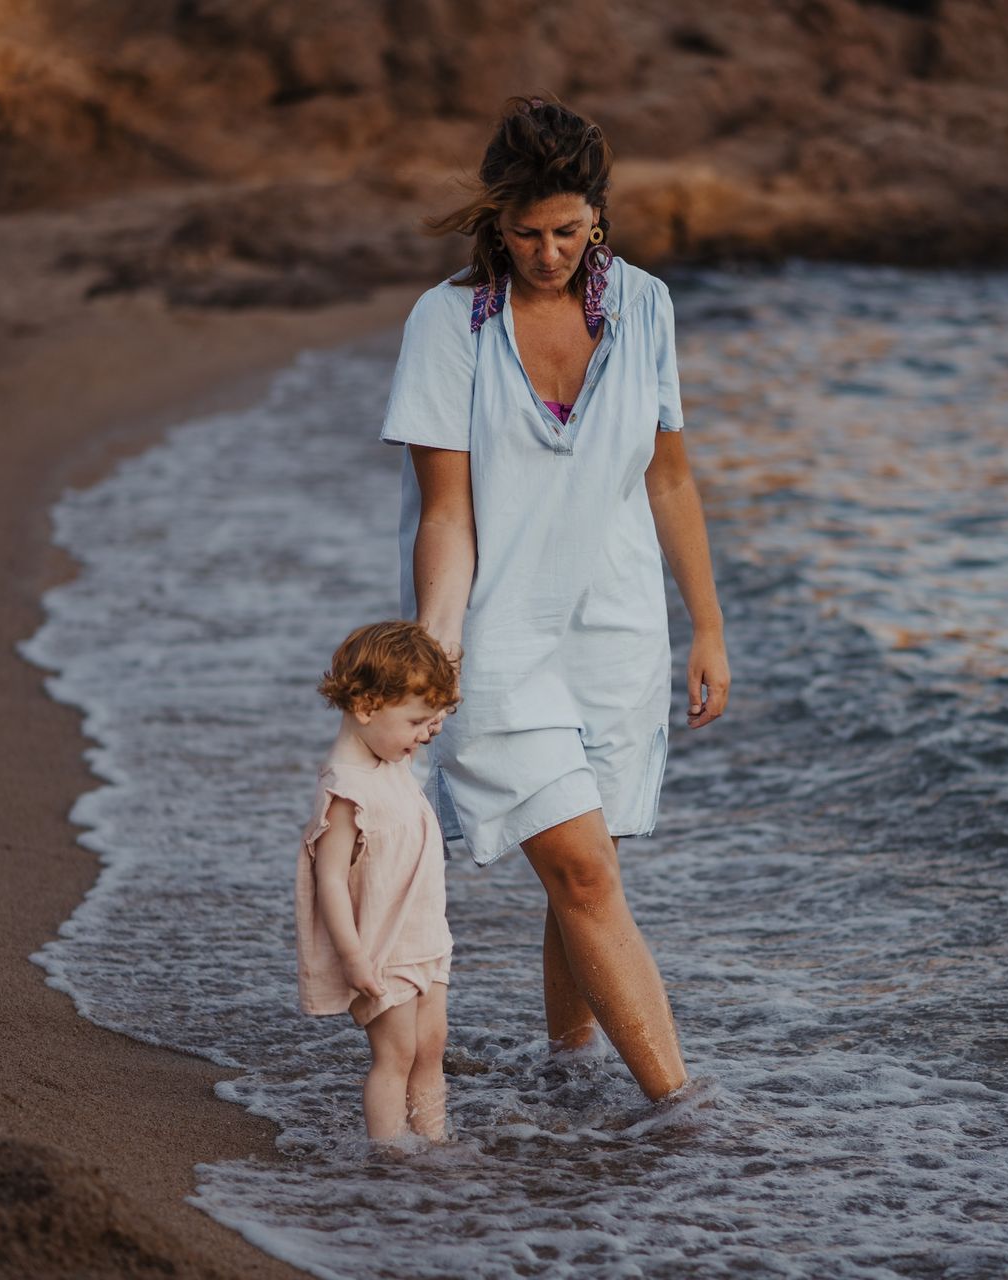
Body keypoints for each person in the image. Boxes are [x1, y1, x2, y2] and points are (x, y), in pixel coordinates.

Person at [377, 95, 730, 1101]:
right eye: (527, 233)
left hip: (616, 632)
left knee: (583, 871)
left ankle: (569, 1075)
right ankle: (682, 1112)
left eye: (568, 232)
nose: (547, 254)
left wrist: (707, 627)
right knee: (582, 873)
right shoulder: (448, 324)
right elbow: (446, 515)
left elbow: (669, 478)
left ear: (598, 216)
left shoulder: (646, 307)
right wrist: (436, 645)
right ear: (497, 220)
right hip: (496, 639)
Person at [295, 620, 461, 1140]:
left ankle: (432, 1143)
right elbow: (328, 882)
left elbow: (420, 712)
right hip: (382, 946)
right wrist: (353, 957)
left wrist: (429, 707)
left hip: (426, 936)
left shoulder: (389, 755)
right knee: (397, 1054)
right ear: (366, 707)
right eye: (417, 721)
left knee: (431, 1047)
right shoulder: (346, 790)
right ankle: (388, 1156)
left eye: (433, 721)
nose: (428, 733)